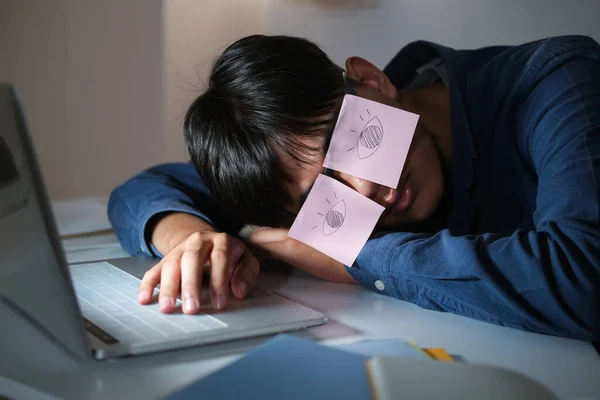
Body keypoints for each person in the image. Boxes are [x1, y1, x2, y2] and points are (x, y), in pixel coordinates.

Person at [108, 34, 600, 341]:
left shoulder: (558, 83)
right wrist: (192, 244)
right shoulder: (285, 173)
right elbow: (143, 189)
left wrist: (356, 258)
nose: (371, 188)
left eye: (348, 138)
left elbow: (586, 284)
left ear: (372, 80)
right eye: (325, 192)